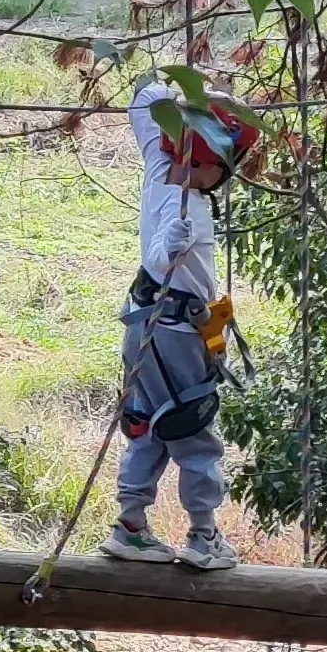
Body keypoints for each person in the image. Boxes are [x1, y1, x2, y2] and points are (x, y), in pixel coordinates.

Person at [107, 74, 257, 569]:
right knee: (194, 428)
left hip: (142, 326)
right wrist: (170, 242)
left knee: (147, 422)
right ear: (215, 166)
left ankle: (131, 527)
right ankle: (203, 534)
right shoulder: (187, 206)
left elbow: (145, 99)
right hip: (176, 334)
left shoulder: (158, 165)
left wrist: (199, 97)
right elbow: (158, 258)